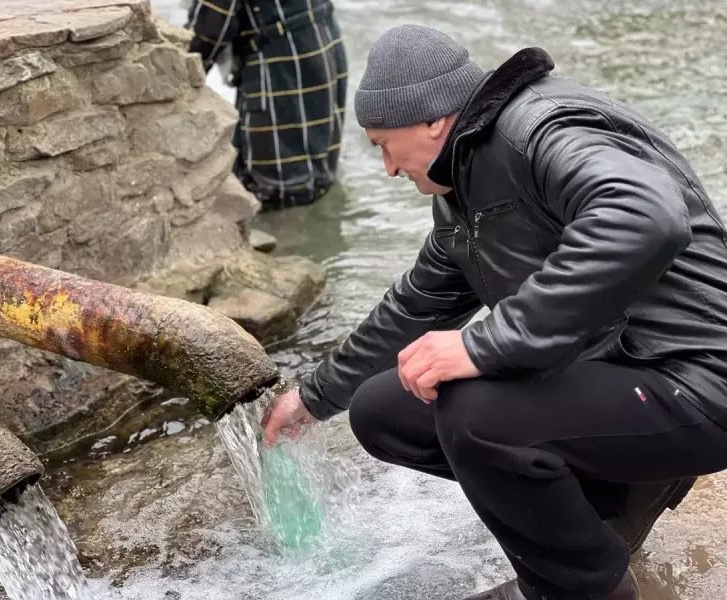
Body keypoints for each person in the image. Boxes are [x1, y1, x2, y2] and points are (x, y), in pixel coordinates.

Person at [261, 24, 727, 600]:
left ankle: (582, 589)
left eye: (382, 143)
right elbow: (414, 304)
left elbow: (646, 217)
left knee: (475, 411)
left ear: (433, 119)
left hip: (698, 379)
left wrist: (484, 345)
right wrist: (312, 398)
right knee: (385, 409)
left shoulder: (543, 129)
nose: (385, 166)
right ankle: (608, 516)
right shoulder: (462, 184)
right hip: (624, 373)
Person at [185, 0, 347, 211]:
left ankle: (287, 238)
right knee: (315, 173)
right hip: (320, 37)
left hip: (283, 57)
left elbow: (210, 27)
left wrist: (179, 79)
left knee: (277, 187)